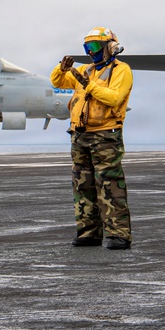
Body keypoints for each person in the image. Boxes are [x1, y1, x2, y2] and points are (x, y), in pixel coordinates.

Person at [50, 27, 133, 249]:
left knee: (109, 184)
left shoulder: (121, 70)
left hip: (105, 135)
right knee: (82, 185)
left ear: (110, 47)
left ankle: (118, 235)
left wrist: (86, 82)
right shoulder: (86, 70)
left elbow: (114, 98)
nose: (91, 52)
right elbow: (57, 81)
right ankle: (88, 233)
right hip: (80, 135)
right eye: (87, 47)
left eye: (95, 46)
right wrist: (63, 69)